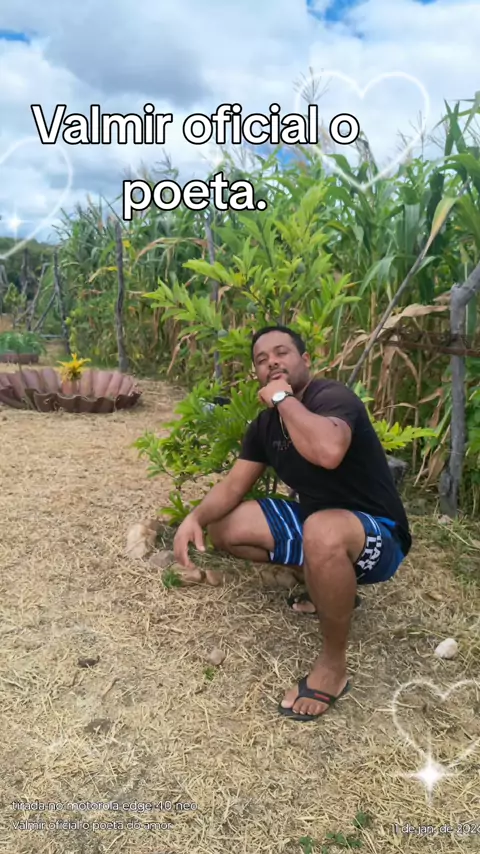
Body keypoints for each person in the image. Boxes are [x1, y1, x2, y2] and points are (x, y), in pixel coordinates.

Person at [173, 325, 411, 722]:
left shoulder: (332, 398)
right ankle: (326, 587)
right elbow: (234, 485)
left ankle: (333, 667)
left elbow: (329, 451)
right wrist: (193, 518)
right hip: (317, 524)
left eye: (281, 353)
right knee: (225, 528)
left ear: (305, 360)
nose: (272, 363)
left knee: (322, 531)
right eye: (261, 360)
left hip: (378, 533)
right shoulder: (264, 427)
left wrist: (284, 399)